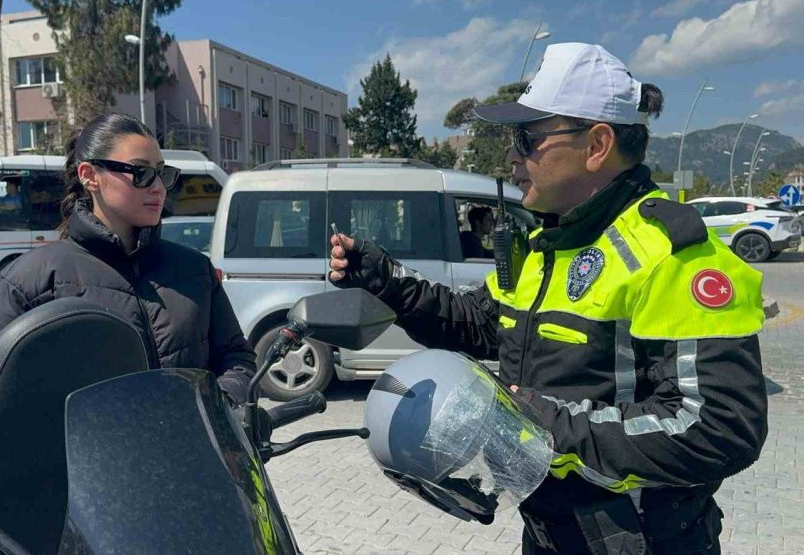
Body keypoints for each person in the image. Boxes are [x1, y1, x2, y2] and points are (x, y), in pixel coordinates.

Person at [329, 43, 767, 553]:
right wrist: (386, 278)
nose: (512, 156)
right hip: (550, 532)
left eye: (526, 138)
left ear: (597, 144)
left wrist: (543, 425)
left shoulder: (676, 256)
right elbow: (478, 325)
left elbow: (719, 426)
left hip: (642, 539)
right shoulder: (546, 245)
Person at [0, 112, 257, 404]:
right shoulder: (30, 279)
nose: (158, 187)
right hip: (81, 450)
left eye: (162, 172)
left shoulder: (194, 269)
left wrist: (218, 409)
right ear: (89, 176)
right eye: (141, 172)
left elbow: (236, 358)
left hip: (185, 447)